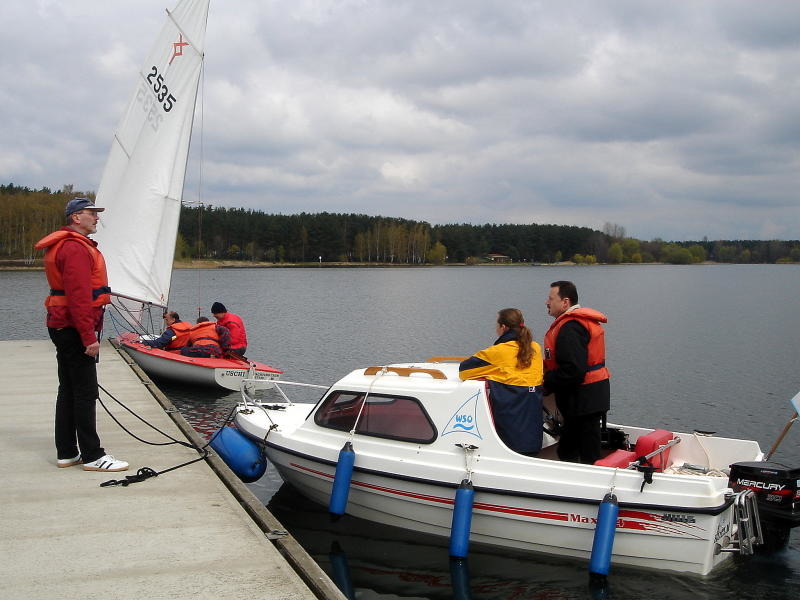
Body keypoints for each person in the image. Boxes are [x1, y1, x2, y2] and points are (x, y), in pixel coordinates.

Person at [34, 197, 129, 472]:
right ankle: (92, 455)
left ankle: (66, 452)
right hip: (75, 329)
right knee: (85, 392)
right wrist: (89, 338)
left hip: (62, 325)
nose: (97, 218)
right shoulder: (75, 249)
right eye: (92, 213)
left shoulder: (64, 245)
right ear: (76, 217)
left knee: (68, 390)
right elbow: (78, 297)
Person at [459, 308, 544, 455]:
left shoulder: (498, 352)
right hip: (533, 434)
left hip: (510, 435)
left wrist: (489, 375)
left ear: (503, 327)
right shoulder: (535, 348)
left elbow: (464, 371)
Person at [543, 280, 611, 464]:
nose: (546, 302)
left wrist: (546, 383)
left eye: (550, 298)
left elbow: (573, 370)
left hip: (582, 400)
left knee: (575, 450)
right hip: (591, 396)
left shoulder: (570, 328)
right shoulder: (579, 323)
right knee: (580, 445)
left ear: (565, 302)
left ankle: (588, 485)